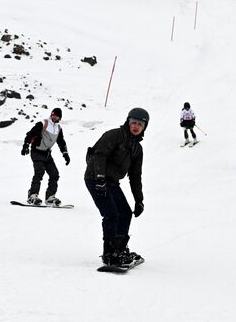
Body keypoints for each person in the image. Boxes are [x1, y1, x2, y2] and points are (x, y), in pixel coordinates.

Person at [85, 108, 149, 267]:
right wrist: (99, 178)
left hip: (112, 182)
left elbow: (135, 176)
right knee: (111, 214)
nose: (136, 126)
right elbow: (99, 155)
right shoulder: (115, 135)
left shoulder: (137, 149)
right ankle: (109, 254)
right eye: (133, 122)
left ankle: (119, 249)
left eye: (140, 124)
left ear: (144, 127)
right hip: (94, 178)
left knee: (126, 213)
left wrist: (139, 200)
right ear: (128, 122)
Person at [21, 108, 70, 205]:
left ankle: (50, 197)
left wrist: (65, 154)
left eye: (56, 116)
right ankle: (32, 195)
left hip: (47, 154)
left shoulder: (58, 129)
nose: (54, 117)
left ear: (59, 117)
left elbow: (61, 142)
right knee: (39, 172)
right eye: (53, 115)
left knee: (54, 174)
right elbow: (30, 134)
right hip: (37, 151)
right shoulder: (43, 124)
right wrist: (25, 146)